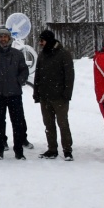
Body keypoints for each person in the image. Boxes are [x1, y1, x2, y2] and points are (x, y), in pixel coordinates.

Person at [0, 27, 30, 159]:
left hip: (15, 94)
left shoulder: (17, 54)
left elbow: (24, 70)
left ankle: (19, 151)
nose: (3, 39)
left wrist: (19, 81)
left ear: (9, 38)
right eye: (0, 37)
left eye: (5, 37)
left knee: (18, 123)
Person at [32, 29, 75, 160]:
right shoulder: (42, 55)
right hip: (45, 96)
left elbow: (69, 76)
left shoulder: (63, 54)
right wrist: (36, 93)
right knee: (48, 124)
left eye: (42, 40)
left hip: (60, 97)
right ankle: (52, 149)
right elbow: (37, 75)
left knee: (63, 124)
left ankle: (67, 150)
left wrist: (67, 94)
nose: (40, 43)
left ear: (49, 41)